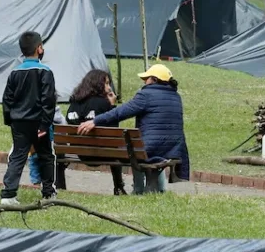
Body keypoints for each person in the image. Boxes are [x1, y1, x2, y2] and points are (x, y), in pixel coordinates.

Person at [78, 63, 190, 194]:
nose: (144, 82)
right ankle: (159, 190)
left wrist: (95, 121)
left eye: (146, 79)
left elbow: (121, 112)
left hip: (151, 149)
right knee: (141, 148)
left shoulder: (146, 95)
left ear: (154, 79)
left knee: (134, 150)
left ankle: (138, 190)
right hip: (174, 150)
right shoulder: (176, 97)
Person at [0, 31, 57, 206]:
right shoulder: (45, 71)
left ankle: (8, 194)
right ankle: (48, 192)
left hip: (19, 123)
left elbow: (7, 99)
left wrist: (10, 119)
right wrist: (45, 124)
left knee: (18, 156)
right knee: (46, 156)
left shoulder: (14, 72)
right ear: (39, 48)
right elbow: (48, 100)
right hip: (39, 123)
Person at [66, 69, 127, 195]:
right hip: (101, 153)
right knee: (116, 148)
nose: (109, 88)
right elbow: (113, 132)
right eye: (107, 83)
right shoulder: (103, 103)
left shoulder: (74, 102)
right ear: (98, 84)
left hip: (79, 152)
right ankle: (118, 187)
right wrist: (111, 107)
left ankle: (60, 185)